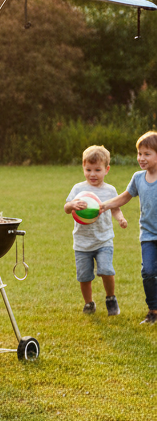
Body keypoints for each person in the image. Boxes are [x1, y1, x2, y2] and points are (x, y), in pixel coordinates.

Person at [99, 131, 157, 324]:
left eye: (147, 154)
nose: (141, 158)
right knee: (148, 272)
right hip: (148, 235)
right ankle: (153, 311)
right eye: (139, 153)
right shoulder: (138, 178)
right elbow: (125, 196)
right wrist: (106, 205)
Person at [64, 144, 127, 316]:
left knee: (106, 269)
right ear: (83, 168)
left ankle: (110, 298)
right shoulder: (78, 189)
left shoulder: (110, 190)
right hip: (82, 242)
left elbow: (115, 208)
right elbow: (66, 207)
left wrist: (120, 218)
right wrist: (72, 205)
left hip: (103, 240)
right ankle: (89, 303)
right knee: (84, 277)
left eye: (97, 170)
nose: (92, 174)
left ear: (106, 170)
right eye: (88, 169)